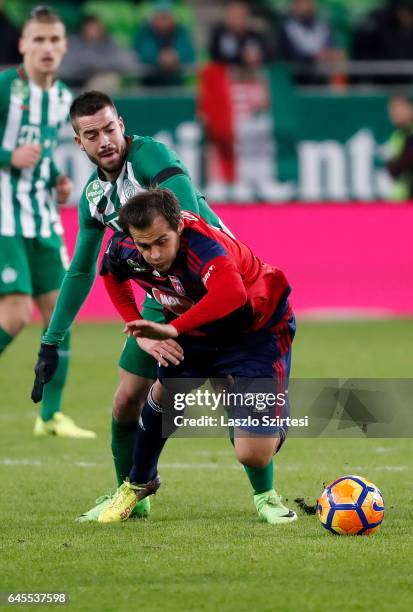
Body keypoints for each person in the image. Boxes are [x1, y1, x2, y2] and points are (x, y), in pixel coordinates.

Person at [31, 89, 262, 523]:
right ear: (78, 142)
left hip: (214, 288)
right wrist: (50, 339)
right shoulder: (95, 197)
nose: (104, 141)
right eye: (91, 134)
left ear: (122, 124)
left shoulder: (150, 157)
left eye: (109, 128)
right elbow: (82, 272)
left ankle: (266, 497)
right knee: (125, 401)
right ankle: (132, 495)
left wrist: (179, 326)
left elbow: (190, 227)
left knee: (231, 395)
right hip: (164, 296)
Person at [95, 187, 297, 525]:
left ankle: (267, 479)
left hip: (256, 330)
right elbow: (111, 275)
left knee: (253, 454)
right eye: (145, 245)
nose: (154, 254)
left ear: (178, 228)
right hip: (199, 331)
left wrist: (173, 329)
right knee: (163, 394)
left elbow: (231, 294)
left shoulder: (202, 246)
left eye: (162, 242)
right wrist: (137, 326)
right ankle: (137, 484)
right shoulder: (126, 246)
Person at [0, 6, 95, 439]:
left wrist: (55, 180)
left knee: (60, 310)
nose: (47, 48)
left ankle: (50, 416)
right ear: (22, 45)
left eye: (54, 40)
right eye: (38, 39)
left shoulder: (61, 98)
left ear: (64, 46)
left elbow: (40, 149)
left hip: (40, 214)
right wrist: (7, 158)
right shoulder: (5, 87)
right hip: (3, 214)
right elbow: (15, 150)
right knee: (16, 313)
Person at [61, 14, 138, 91]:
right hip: (76, 81)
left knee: (106, 80)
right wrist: (88, 65)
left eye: (95, 28)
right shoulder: (74, 42)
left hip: (103, 78)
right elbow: (66, 63)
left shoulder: (110, 43)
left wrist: (101, 65)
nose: (92, 31)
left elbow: (127, 62)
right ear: (83, 29)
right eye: (89, 28)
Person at [133, 1, 195, 87]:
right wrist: (158, 57)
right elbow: (139, 52)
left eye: (166, 17)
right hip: (149, 84)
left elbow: (189, 52)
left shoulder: (181, 31)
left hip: (176, 83)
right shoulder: (144, 31)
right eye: (161, 17)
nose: (164, 21)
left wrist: (176, 56)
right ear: (153, 19)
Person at [208, 1, 269, 69]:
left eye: (240, 16)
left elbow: (267, 56)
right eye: (233, 15)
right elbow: (216, 58)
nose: (237, 20)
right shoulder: (219, 35)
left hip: (252, 74)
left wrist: (258, 57)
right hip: (226, 75)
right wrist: (242, 58)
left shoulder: (255, 36)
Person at [386, 93, 413, 200]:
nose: (396, 112)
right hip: (402, 196)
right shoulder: (396, 136)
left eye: (400, 107)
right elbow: (392, 169)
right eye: (393, 108)